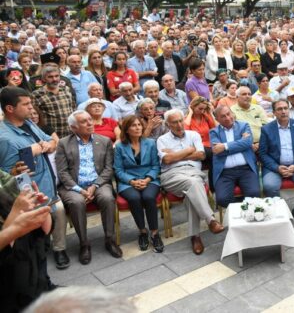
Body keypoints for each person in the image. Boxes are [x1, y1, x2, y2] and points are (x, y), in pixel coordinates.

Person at [0, 87, 69, 270]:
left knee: (56, 219)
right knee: (34, 245)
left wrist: (48, 144)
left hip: (48, 190)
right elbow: (8, 176)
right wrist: (28, 156)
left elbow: (52, 141)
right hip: (30, 199)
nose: (32, 108)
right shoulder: (5, 138)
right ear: (10, 108)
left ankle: (58, 250)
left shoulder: (29, 123)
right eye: (26, 104)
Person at [56, 110, 121, 264]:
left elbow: (108, 168)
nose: (90, 123)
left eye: (90, 120)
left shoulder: (104, 141)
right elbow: (62, 172)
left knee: (107, 197)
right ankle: (84, 244)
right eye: (84, 122)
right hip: (73, 186)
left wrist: (95, 185)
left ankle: (110, 240)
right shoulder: (63, 143)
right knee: (77, 202)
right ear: (73, 127)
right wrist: (80, 190)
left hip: (98, 182)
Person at [157, 110, 224, 256]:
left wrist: (174, 154)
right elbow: (167, 160)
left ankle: (195, 236)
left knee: (191, 191)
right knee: (194, 184)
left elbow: (201, 155)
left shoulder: (193, 135)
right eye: (175, 122)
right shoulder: (162, 139)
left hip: (194, 173)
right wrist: (188, 150)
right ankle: (210, 220)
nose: (179, 124)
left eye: (181, 120)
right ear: (168, 124)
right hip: (172, 175)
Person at [0, 176, 53, 312]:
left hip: (40, 286)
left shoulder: (5, 182)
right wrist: (15, 216)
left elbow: (45, 230)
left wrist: (39, 208)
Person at [259, 100, 294, 226]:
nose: (283, 111)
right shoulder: (267, 129)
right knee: (270, 186)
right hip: (275, 167)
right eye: (279, 109)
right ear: (274, 112)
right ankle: (281, 213)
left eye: (285, 108)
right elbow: (263, 154)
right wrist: (277, 168)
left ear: (289, 110)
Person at [114, 115, 164, 253]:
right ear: (127, 130)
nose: (138, 128)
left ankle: (154, 233)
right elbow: (118, 170)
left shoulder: (150, 143)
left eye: (139, 125)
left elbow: (156, 165)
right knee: (134, 198)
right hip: (128, 181)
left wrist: (147, 179)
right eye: (133, 125)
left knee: (148, 197)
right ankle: (142, 231)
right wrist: (132, 181)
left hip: (150, 179)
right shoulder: (119, 147)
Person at [209, 105, 260, 208]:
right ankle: (239, 213)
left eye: (228, 114)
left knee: (254, 194)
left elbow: (247, 142)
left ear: (232, 113)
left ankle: (246, 211)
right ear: (217, 119)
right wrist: (241, 144)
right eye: (223, 116)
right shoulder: (214, 132)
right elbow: (218, 151)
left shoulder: (244, 125)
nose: (228, 118)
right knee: (222, 199)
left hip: (246, 169)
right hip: (225, 172)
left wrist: (225, 146)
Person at [32, 65, 76, 137]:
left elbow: (73, 108)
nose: (54, 79)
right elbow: (34, 117)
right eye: (50, 77)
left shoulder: (66, 89)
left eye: (56, 76)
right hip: (51, 136)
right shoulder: (37, 94)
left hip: (70, 134)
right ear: (44, 79)